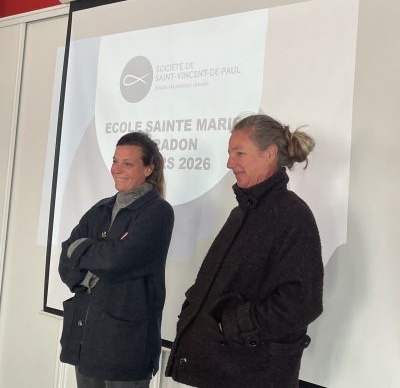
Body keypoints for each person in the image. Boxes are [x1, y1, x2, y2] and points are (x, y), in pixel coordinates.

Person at [166, 114, 323, 388]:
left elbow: (302, 303)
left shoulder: (293, 215)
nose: (230, 163)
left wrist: (232, 325)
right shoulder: (241, 213)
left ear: (269, 153)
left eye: (239, 153)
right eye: (230, 154)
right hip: (219, 369)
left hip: (252, 375)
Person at [58, 132, 174, 388]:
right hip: (85, 341)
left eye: (127, 163)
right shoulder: (100, 208)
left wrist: (85, 252)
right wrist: (92, 268)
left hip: (125, 349)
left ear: (149, 169)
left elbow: (118, 261)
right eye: (115, 161)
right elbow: (66, 259)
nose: (117, 169)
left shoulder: (158, 212)